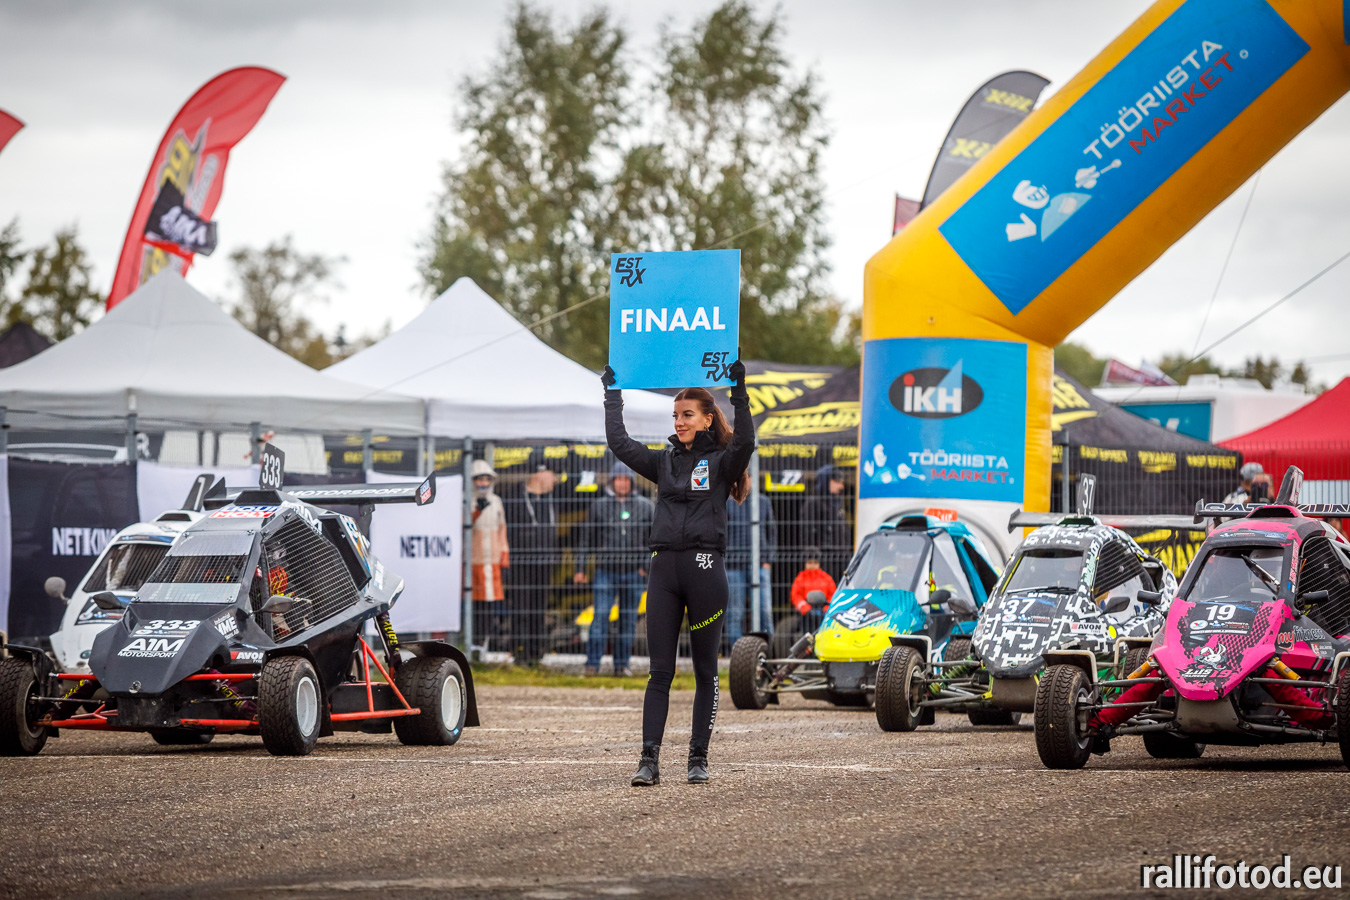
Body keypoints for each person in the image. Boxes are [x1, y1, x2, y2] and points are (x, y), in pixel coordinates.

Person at [603, 359, 753, 786]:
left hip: (706, 571)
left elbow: (746, 440)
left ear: (707, 418)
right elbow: (619, 443)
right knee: (660, 672)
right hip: (664, 571)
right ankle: (648, 761)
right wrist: (613, 395)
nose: (679, 422)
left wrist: (738, 391)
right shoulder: (663, 462)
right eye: (675, 416)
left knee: (705, 670)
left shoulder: (723, 462)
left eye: (687, 415)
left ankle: (698, 758)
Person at [574, 462, 654, 677]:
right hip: (605, 571)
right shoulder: (598, 506)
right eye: (618, 479)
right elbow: (586, 540)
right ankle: (592, 665)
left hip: (634, 573)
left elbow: (654, 540)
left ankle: (621, 666)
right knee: (600, 617)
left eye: (626, 479)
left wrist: (646, 568)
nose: (622, 483)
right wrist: (580, 568)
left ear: (632, 482)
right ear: (612, 481)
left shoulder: (646, 506)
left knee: (628, 620)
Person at [504, 462, 559, 666]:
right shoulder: (514, 497)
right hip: (520, 561)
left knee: (539, 607)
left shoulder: (554, 497)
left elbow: (575, 485)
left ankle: (537, 653)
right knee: (521, 607)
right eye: (552, 474)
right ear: (540, 473)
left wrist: (571, 450)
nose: (555, 480)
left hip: (544, 562)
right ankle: (520, 651)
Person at [723, 491, 776, 648]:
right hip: (734, 565)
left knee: (764, 611)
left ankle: (766, 652)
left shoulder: (763, 501)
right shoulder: (727, 502)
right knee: (734, 612)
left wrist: (767, 559)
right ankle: (738, 652)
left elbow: (772, 531)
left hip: (759, 564)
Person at [469, 459, 509, 651]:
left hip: (492, 559)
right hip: (472, 560)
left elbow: (502, 529)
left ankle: (483, 644)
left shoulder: (496, 501)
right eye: (479, 479)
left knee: (489, 604)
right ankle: (470, 642)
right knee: (472, 603)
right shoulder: (467, 500)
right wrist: (476, 511)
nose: (483, 483)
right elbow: (463, 526)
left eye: (486, 479)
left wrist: (504, 554)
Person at [800, 464, 852, 581]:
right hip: (824, 559)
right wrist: (814, 557)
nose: (841, 486)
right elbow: (807, 533)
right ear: (826, 481)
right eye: (837, 482)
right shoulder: (813, 503)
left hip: (840, 558)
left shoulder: (837, 502)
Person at [789, 546, 836, 627]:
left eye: (815, 563)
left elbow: (832, 595)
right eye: (810, 563)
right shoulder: (800, 578)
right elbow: (795, 596)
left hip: (824, 612)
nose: (812, 565)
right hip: (806, 614)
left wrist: (827, 607)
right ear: (805, 563)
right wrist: (804, 607)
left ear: (819, 564)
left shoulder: (826, 578)